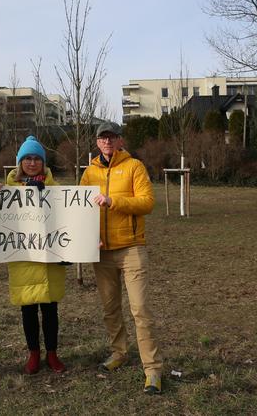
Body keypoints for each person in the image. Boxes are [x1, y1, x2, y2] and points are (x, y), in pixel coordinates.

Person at [80, 121, 163, 394]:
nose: (106, 141)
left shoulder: (134, 167)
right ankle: (119, 352)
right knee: (110, 309)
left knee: (140, 310)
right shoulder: (89, 172)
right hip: (101, 251)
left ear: (119, 140)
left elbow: (147, 203)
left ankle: (152, 370)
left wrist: (114, 201)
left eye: (111, 137)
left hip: (131, 249)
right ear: (97, 142)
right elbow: (80, 210)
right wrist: (86, 238)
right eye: (102, 137)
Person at [5, 136, 67, 374]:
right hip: (24, 259)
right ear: (20, 162)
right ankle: (33, 354)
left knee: (51, 310)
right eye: (27, 158)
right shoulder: (7, 190)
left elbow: (68, 219)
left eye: (37, 158)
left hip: (50, 259)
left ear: (43, 162)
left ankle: (52, 353)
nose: (32, 163)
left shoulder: (56, 190)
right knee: (28, 309)